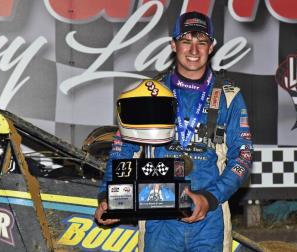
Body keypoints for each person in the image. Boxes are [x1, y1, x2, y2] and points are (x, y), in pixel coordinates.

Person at [95, 11, 253, 252]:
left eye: (201, 42)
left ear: (211, 48)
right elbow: (122, 151)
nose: (193, 50)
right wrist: (108, 196)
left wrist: (210, 198)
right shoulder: (148, 94)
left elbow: (243, 157)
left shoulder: (229, 97)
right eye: (186, 41)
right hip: (158, 219)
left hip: (209, 217)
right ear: (173, 45)